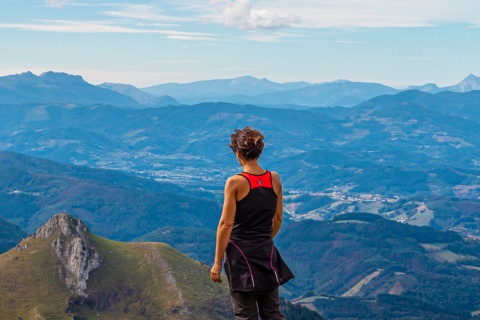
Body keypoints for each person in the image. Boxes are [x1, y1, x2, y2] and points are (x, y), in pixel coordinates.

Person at [210, 126, 294, 320]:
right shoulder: (274, 178)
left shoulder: (235, 182)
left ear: (238, 153)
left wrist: (217, 262)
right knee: (272, 312)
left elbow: (226, 224)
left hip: (239, 256)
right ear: (259, 151)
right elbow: (278, 217)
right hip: (266, 251)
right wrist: (265, 239)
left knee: (245, 314)